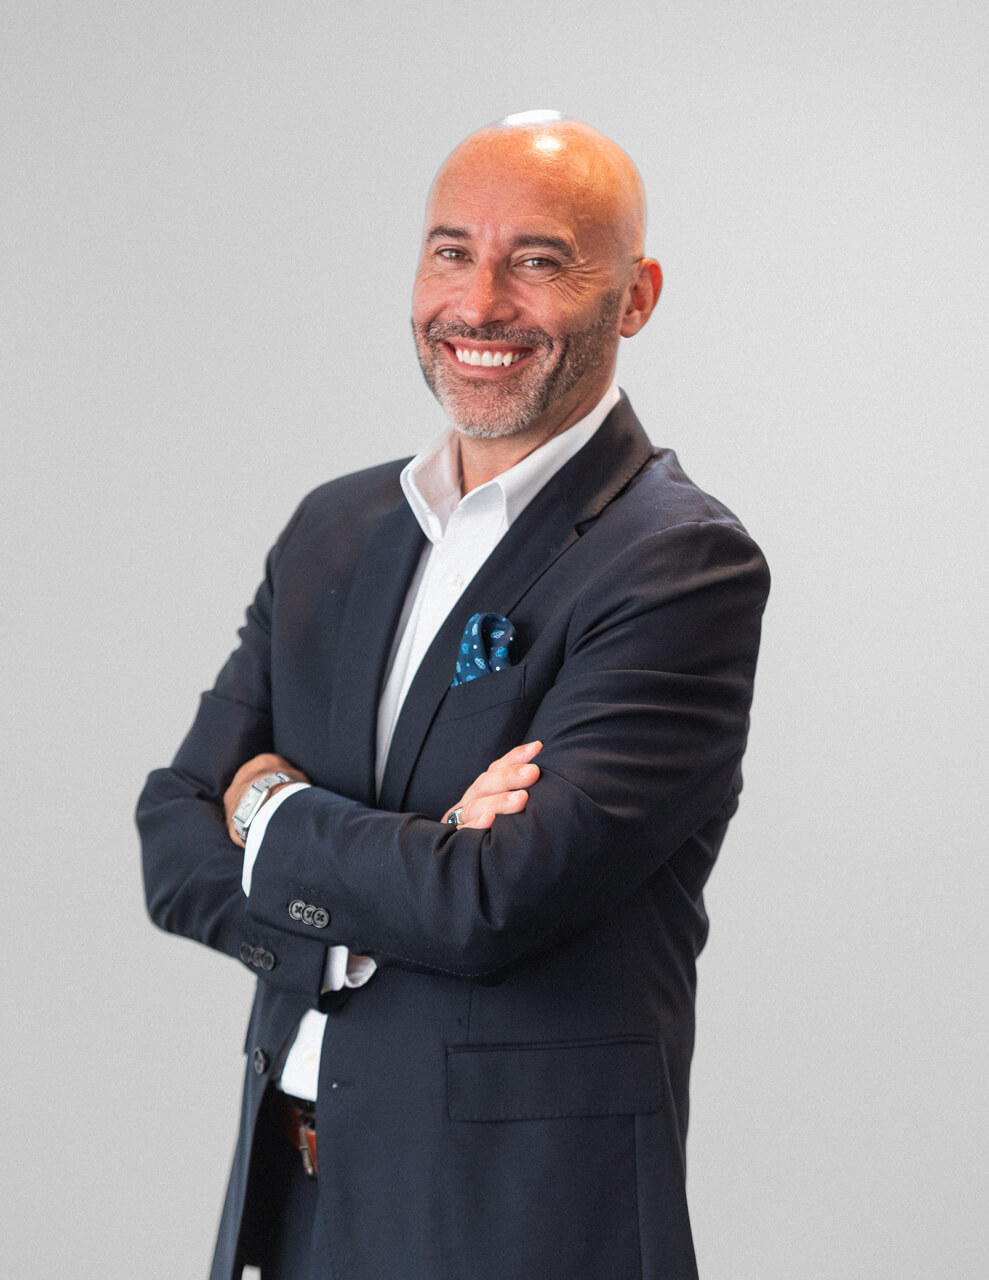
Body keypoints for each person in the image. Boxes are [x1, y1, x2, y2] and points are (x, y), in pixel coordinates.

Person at [138, 110, 769, 1280]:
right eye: (451, 252)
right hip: (296, 1202)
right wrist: (395, 880)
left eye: (537, 260)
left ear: (634, 297)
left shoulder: (677, 561)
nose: (479, 304)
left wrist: (267, 808)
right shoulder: (334, 527)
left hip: (512, 1223)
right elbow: (171, 835)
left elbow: (493, 897)